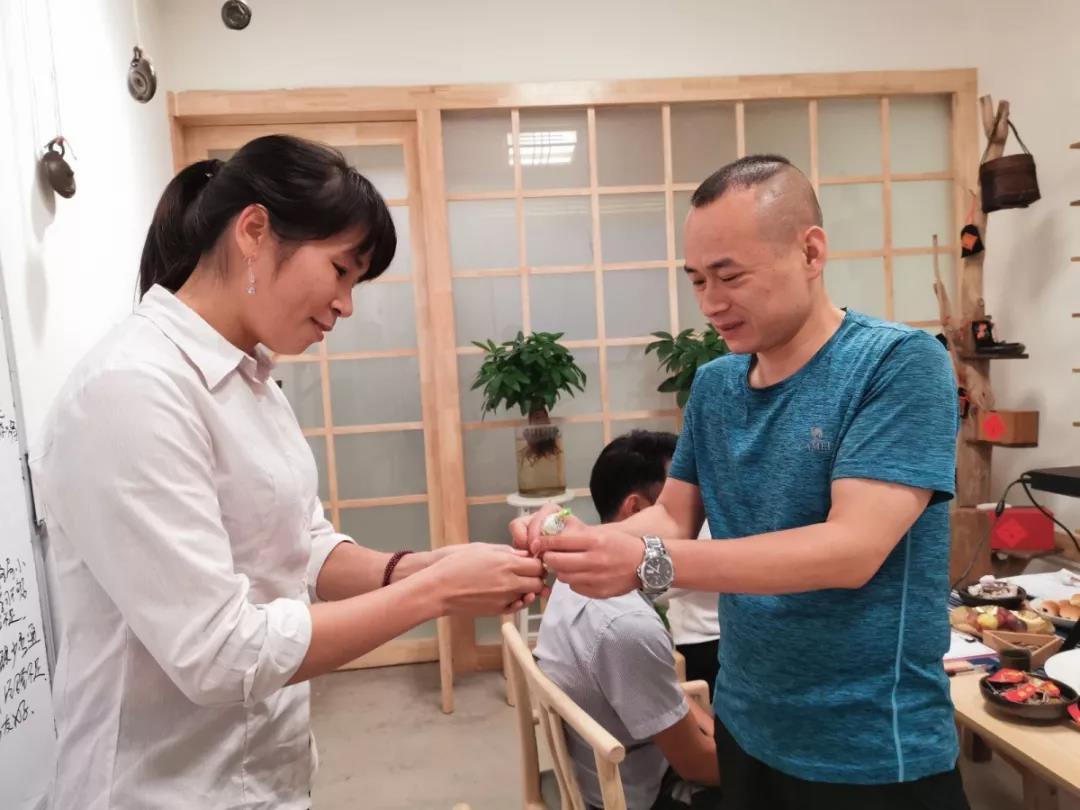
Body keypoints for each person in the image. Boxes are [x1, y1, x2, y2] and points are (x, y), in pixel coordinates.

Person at [31, 134, 545, 810]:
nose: (346, 304)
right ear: (254, 231)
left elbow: (302, 544)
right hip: (159, 791)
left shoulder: (251, 381)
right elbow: (218, 653)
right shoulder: (130, 390)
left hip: (261, 776)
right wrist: (438, 591)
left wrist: (417, 567)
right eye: (340, 270)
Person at [514, 155, 970, 810]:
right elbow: (673, 517)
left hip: (869, 743)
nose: (710, 303)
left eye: (730, 277)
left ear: (811, 252)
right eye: (698, 280)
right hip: (746, 720)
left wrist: (645, 561)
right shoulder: (716, 384)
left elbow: (851, 550)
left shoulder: (896, 365)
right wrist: (579, 541)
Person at [535, 430, 720, 810]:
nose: (699, 522)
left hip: (607, 770)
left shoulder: (571, 578)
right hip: (640, 796)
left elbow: (663, 697)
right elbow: (698, 765)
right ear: (637, 510)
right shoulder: (628, 626)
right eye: (683, 505)